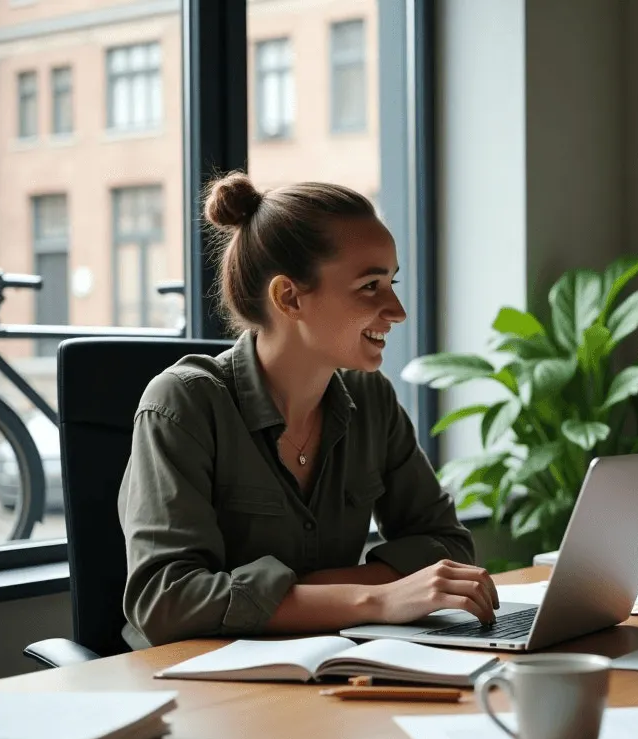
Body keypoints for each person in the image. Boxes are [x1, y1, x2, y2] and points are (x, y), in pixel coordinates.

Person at [119, 172, 496, 648]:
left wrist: (305, 597)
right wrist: (377, 599)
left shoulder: (371, 398)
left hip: (334, 666)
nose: (397, 309)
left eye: (392, 282)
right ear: (289, 297)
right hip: (197, 686)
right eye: (369, 286)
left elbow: (449, 546)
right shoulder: (183, 402)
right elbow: (167, 601)